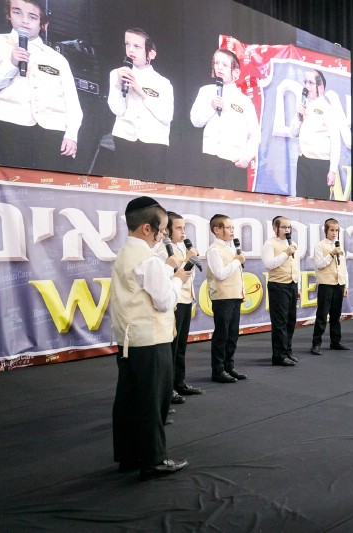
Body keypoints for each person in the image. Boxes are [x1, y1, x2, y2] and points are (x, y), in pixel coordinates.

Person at [110, 196, 190, 478]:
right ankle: (153, 459)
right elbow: (164, 301)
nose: (164, 234)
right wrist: (178, 279)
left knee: (130, 401)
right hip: (151, 339)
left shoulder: (126, 253)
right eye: (163, 228)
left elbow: (143, 287)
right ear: (147, 228)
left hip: (130, 340)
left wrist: (168, 270)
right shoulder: (148, 259)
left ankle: (129, 456)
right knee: (153, 403)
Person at [0, 0, 83, 172]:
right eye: (17, 12)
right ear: (8, 15)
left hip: (53, 130)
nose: (24, 21)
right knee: (15, 180)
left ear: (43, 24)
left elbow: (72, 101)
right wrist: (12, 63)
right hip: (12, 125)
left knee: (50, 182)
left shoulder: (57, 58)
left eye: (32, 16)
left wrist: (72, 135)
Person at [107, 28, 173, 181]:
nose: (130, 49)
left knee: (152, 189)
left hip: (153, 143)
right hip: (124, 139)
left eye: (137, 46)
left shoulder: (163, 82)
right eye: (127, 44)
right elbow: (117, 110)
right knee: (124, 186)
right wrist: (118, 85)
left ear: (151, 53)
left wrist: (141, 92)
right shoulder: (116, 74)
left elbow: (166, 117)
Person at [190, 48, 260, 192]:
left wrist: (246, 158)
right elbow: (195, 121)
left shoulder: (245, 101)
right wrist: (211, 107)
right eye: (217, 63)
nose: (219, 67)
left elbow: (255, 134)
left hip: (233, 163)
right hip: (208, 160)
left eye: (225, 65)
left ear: (236, 72)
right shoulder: (205, 91)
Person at [205, 214, 248, 383]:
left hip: (235, 296)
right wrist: (237, 261)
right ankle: (218, 370)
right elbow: (220, 274)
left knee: (232, 335)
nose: (232, 231)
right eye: (228, 227)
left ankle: (229, 366)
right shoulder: (214, 250)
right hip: (222, 298)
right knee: (222, 335)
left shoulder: (231, 248)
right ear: (216, 230)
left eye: (232, 228)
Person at [164, 212, 202, 396]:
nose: (183, 232)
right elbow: (171, 276)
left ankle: (180, 382)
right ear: (166, 229)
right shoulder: (163, 250)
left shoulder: (180, 248)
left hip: (186, 299)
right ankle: (168, 388)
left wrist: (190, 260)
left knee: (181, 346)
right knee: (172, 347)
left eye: (184, 228)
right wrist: (187, 260)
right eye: (178, 228)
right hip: (174, 301)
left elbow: (187, 276)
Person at [291, 69, 341, 200]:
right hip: (303, 162)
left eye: (311, 83)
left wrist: (332, 170)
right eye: (305, 82)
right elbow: (293, 133)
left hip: (320, 165)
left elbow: (336, 141)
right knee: (301, 203)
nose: (306, 86)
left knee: (319, 204)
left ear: (321, 87)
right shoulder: (303, 105)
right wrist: (298, 117)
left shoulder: (328, 109)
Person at [261, 216, 300, 366]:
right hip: (278, 285)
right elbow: (269, 264)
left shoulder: (293, 244)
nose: (287, 230)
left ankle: (287, 351)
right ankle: (279, 355)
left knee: (290, 320)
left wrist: (298, 286)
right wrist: (285, 253)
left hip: (292, 284)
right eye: (284, 227)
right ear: (274, 228)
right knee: (280, 322)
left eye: (289, 227)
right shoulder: (269, 243)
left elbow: (296, 266)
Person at [311, 218, 350, 355]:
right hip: (326, 284)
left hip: (339, 284)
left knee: (336, 315)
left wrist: (346, 284)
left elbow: (343, 267)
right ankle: (316, 344)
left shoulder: (340, 246)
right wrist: (331, 254)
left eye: (336, 230)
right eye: (332, 230)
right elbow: (319, 265)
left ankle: (336, 341)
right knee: (322, 315)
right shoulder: (320, 246)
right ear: (326, 230)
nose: (334, 233)